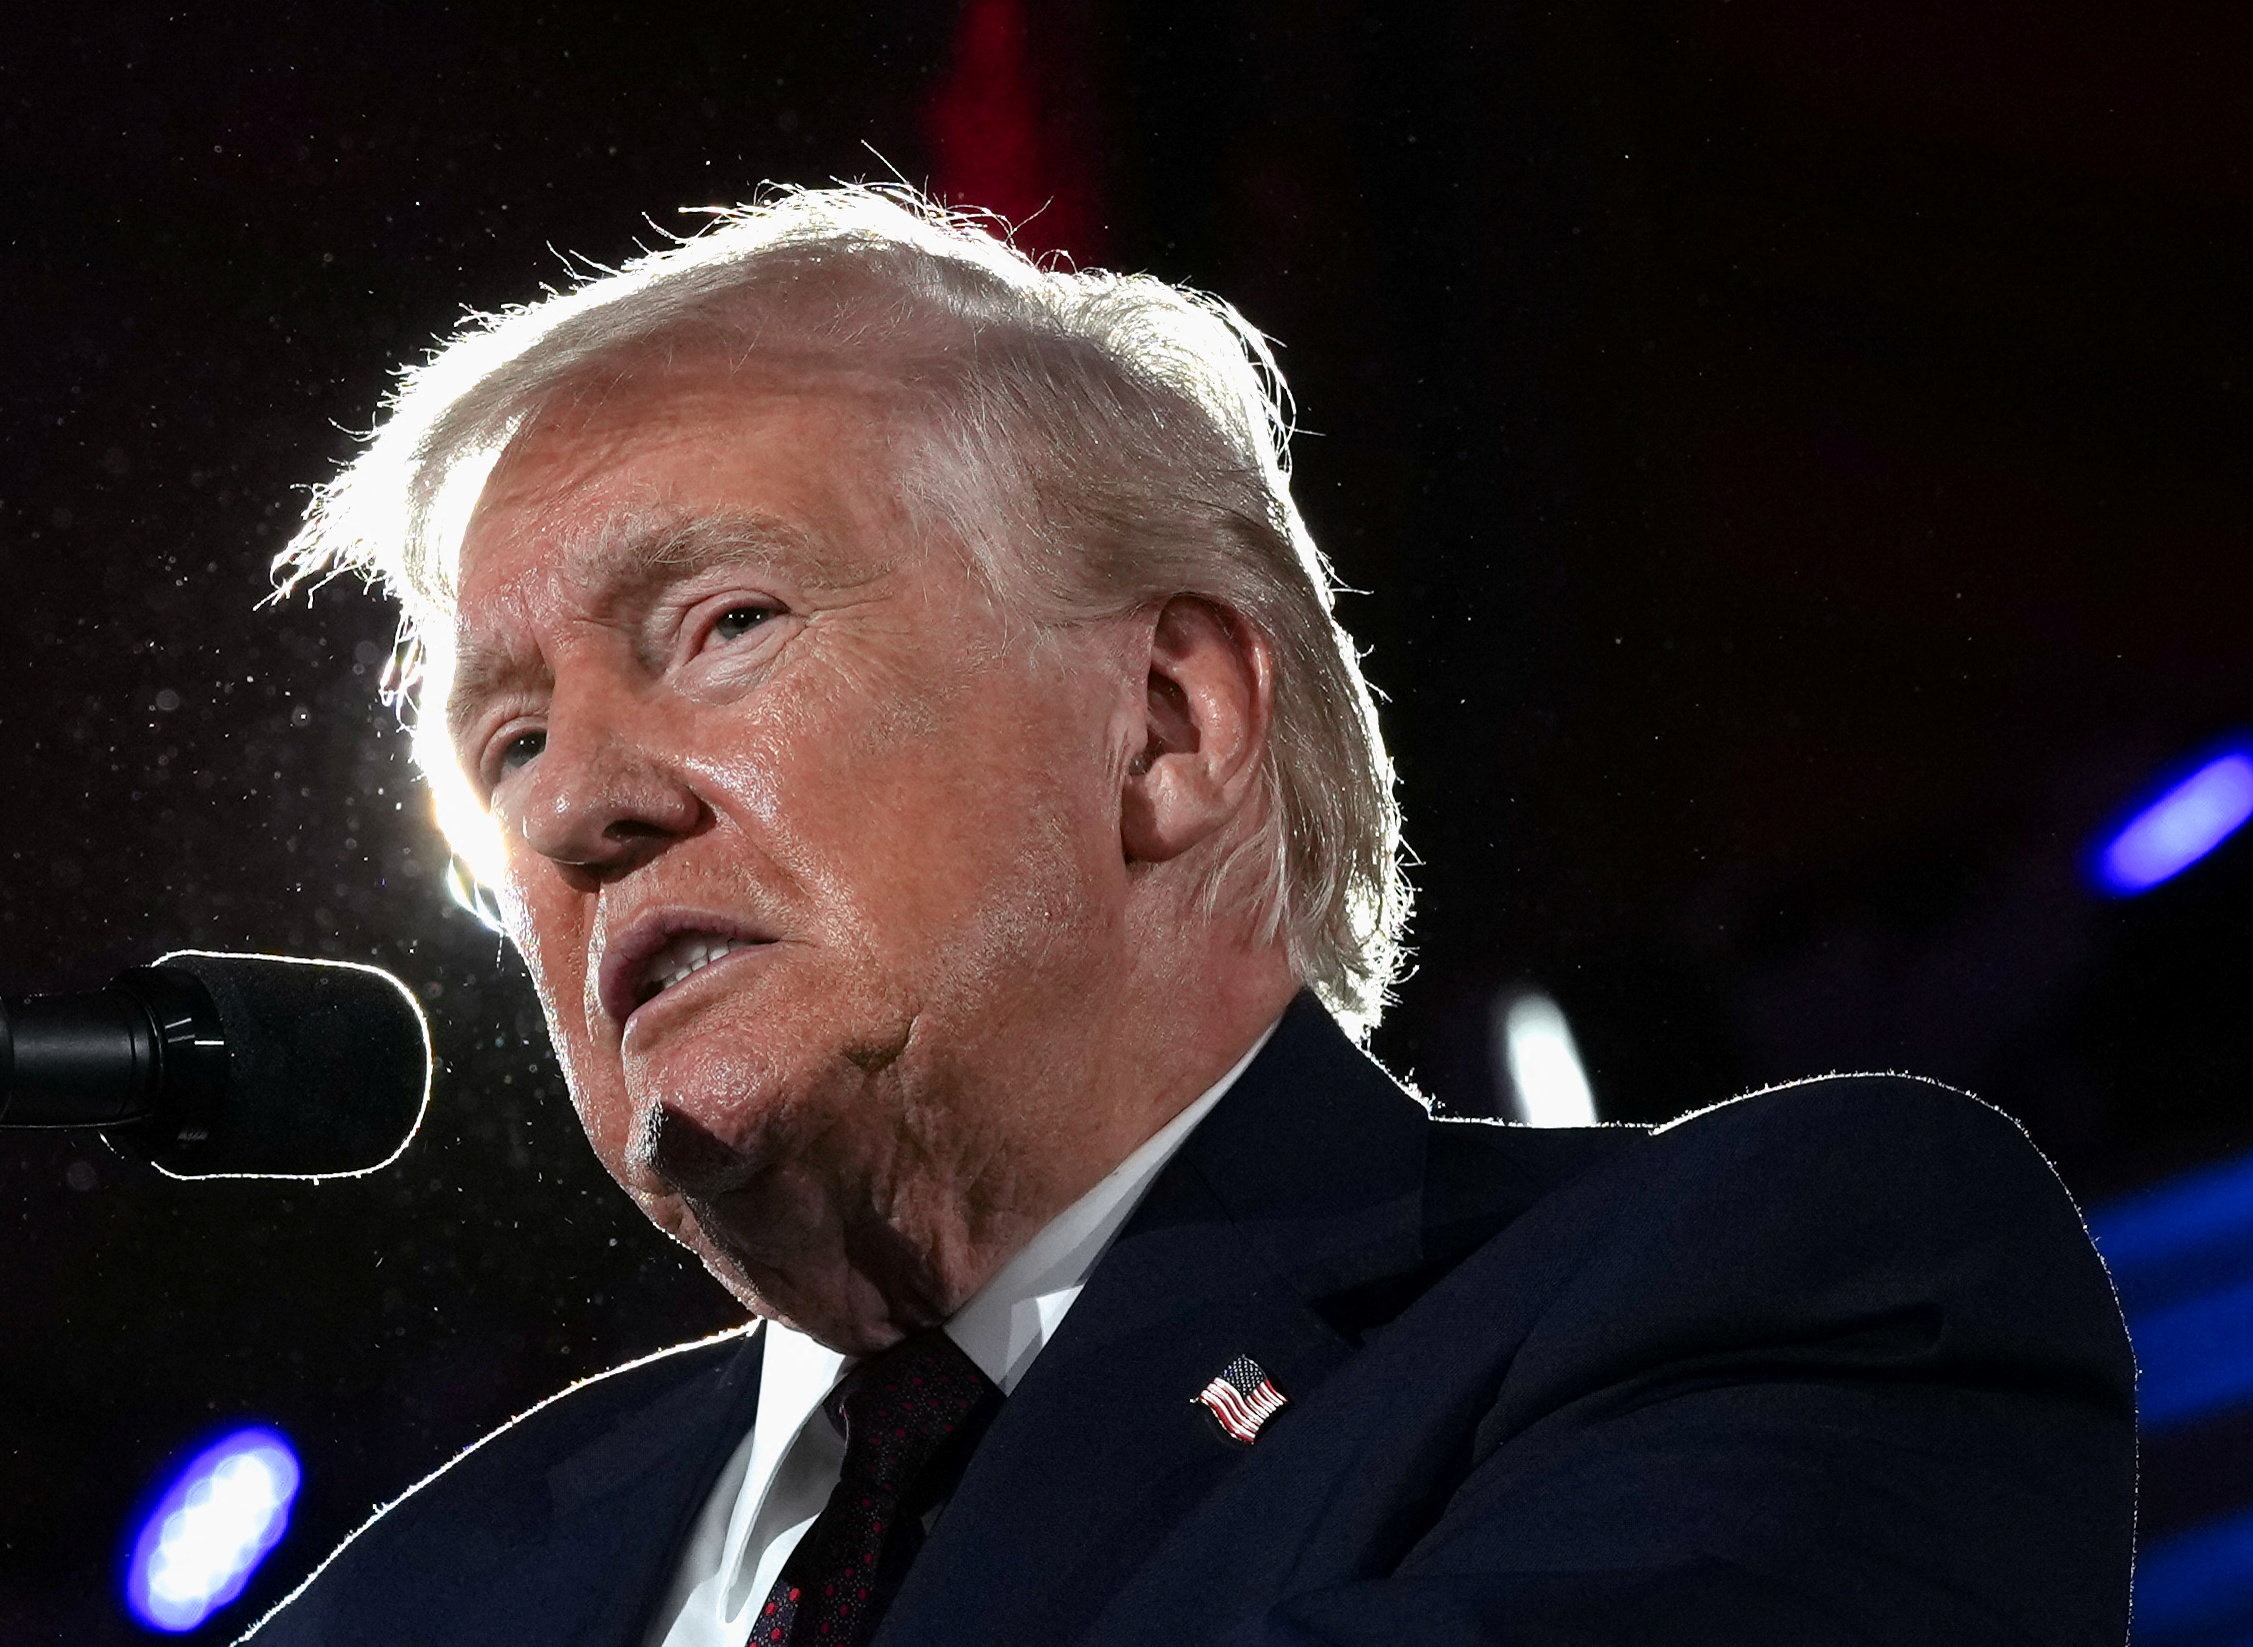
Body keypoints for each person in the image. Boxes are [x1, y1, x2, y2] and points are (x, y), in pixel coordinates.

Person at [240, 186, 2134, 1647]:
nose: (573, 808)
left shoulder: (1776, 1289)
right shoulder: (417, 1595)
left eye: (726, 625)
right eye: (507, 743)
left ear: (1167, 724)